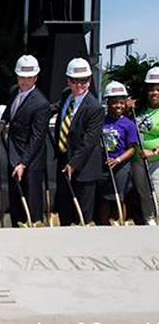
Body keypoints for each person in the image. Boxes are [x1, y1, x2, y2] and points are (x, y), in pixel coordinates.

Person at [0, 55, 51, 226]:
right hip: (13, 153)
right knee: (15, 201)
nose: (24, 81)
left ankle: (33, 228)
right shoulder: (15, 91)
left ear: (35, 78)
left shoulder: (41, 103)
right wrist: (3, 121)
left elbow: (37, 137)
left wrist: (23, 163)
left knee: (31, 200)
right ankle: (16, 226)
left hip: (31, 160)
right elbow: (11, 109)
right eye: (21, 77)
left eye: (28, 77)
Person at [52, 58, 104, 225]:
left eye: (84, 81)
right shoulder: (66, 95)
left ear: (90, 81)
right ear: (68, 81)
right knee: (64, 211)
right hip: (64, 162)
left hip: (83, 168)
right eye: (75, 81)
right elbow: (53, 108)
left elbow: (89, 141)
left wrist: (73, 164)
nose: (80, 85)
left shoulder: (95, 108)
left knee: (83, 215)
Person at [99, 81, 137, 224]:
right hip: (104, 164)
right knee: (104, 198)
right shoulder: (101, 122)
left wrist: (118, 160)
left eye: (121, 102)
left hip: (121, 166)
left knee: (118, 197)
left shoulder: (128, 124)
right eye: (114, 102)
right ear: (108, 103)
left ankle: (120, 224)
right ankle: (103, 226)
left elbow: (132, 149)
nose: (118, 106)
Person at [130, 66, 159, 225]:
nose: (155, 93)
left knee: (157, 193)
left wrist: (153, 151)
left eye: (158, 89)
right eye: (151, 89)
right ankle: (150, 222)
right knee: (144, 194)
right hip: (138, 160)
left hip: (156, 160)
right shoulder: (139, 108)